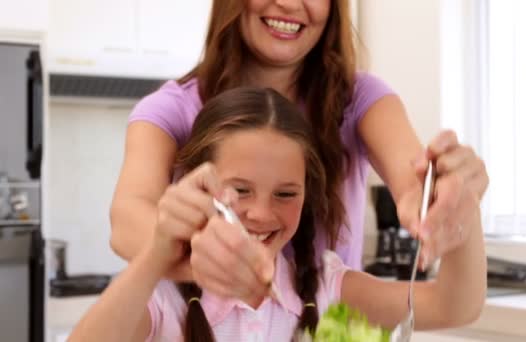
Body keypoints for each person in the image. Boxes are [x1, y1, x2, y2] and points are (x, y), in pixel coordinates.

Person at [110, 0, 489, 301]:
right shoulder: (169, 110)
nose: (289, 3)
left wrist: (441, 196)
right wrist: (199, 255)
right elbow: (128, 218)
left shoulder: (361, 100)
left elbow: (415, 181)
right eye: (241, 190)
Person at [70, 87, 486, 341]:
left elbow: (455, 306)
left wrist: (459, 201)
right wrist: (157, 256)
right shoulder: (163, 298)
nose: (261, 212)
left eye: (286, 193)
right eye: (239, 191)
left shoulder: (326, 287)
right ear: (197, 185)